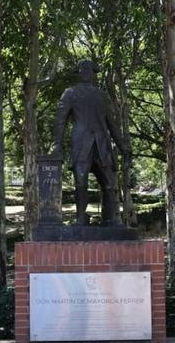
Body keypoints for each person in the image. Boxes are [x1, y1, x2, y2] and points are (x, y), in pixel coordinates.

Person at [52, 59, 130, 226]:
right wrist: (57, 143)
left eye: (89, 69)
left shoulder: (101, 95)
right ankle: (80, 217)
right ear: (78, 72)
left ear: (94, 73)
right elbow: (60, 120)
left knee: (108, 182)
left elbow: (112, 123)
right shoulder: (70, 93)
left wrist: (123, 146)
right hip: (81, 143)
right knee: (81, 180)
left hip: (101, 143)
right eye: (82, 69)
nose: (86, 71)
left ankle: (111, 219)